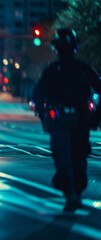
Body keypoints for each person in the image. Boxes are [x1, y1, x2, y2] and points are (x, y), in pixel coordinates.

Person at [32, 28, 101, 212]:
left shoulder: (60, 69)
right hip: (70, 121)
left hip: (75, 121)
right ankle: (72, 193)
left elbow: (37, 96)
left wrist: (95, 116)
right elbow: (38, 96)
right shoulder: (77, 69)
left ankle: (73, 193)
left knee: (73, 158)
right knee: (73, 158)